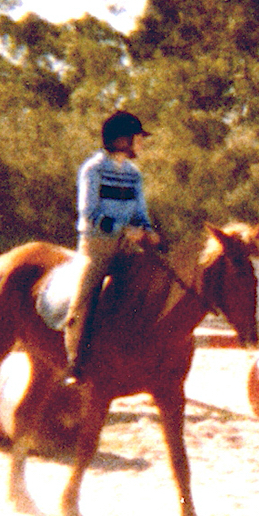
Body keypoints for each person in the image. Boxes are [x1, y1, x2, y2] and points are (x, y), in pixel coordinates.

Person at [63, 110, 159, 384]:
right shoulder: (93, 169)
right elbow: (89, 214)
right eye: (137, 138)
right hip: (97, 246)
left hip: (129, 248)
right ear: (121, 140)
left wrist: (148, 231)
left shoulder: (133, 174)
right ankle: (75, 362)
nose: (141, 144)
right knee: (84, 298)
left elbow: (140, 210)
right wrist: (122, 229)